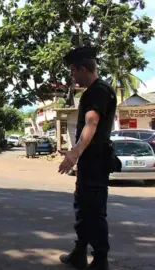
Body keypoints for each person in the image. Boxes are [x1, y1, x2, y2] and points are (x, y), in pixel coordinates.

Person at [58, 47, 118, 270]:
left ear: (82, 69)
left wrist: (75, 153)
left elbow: (91, 123)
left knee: (93, 210)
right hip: (91, 161)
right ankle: (80, 252)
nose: (73, 76)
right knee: (83, 207)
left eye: (73, 72)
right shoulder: (98, 90)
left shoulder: (97, 91)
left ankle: (100, 259)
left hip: (95, 160)